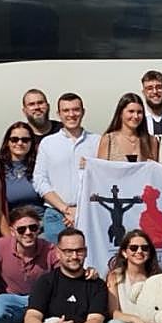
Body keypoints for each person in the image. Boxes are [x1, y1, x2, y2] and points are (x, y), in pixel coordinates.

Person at [0, 206, 59, 323]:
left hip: (42, 301)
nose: (28, 233)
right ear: (12, 231)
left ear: (39, 228)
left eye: (33, 227)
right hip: (12, 299)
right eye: (21, 229)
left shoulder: (50, 250)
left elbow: (66, 273)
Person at [34, 92, 100, 242]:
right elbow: (39, 180)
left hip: (89, 212)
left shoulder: (97, 141)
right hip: (56, 214)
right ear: (59, 114)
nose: (71, 114)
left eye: (76, 110)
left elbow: (102, 180)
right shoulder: (48, 143)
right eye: (66, 110)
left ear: (83, 112)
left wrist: (80, 210)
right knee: (56, 261)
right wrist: (65, 209)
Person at [0, 123, 44, 239]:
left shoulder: (40, 165)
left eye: (25, 140)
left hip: (42, 226)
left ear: (32, 143)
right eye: (14, 139)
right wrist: (9, 237)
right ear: (7, 142)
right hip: (14, 228)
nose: (20, 143)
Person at [106, 229, 161, 323]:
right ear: (124, 253)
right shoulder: (114, 276)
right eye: (133, 248)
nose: (139, 251)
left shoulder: (157, 278)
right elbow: (113, 312)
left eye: (144, 248)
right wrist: (135, 319)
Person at [97, 92, 158, 163]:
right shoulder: (109, 140)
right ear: (120, 113)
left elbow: (154, 170)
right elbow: (100, 170)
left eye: (139, 112)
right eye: (131, 111)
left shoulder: (151, 141)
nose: (136, 116)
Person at [140, 70, 162, 137]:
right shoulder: (138, 120)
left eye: (159, 87)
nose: (155, 92)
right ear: (143, 93)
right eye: (149, 88)